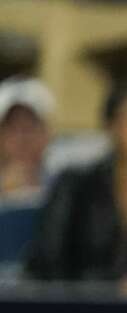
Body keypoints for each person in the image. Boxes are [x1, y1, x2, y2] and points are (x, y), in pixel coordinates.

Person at [25, 80, 127, 295]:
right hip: (80, 309)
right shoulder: (76, 185)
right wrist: (110, 287)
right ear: (111, 126)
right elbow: (47, 262)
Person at [0, 76, 54, 279]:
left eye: (31, 126)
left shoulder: (68, 189)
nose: (22, 137)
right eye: (12, 127)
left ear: (47, 132)